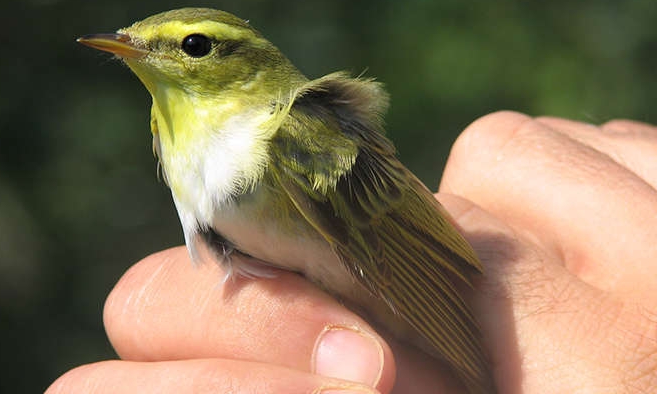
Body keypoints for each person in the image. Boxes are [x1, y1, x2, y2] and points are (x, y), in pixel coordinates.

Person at [46, 111, 657, 393]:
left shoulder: (292, 135)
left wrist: (476, 360)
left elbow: (400, 253)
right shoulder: (187, 156)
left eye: (197, 46)